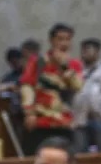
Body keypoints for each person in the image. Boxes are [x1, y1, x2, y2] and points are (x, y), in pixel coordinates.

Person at [19, 22, 82, 151]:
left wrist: (65, 67)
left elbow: (77, 86)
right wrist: (29, 113)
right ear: (51, 40)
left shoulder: (74, 64)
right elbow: (27, 86)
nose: (64, 43)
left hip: (64, 122)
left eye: (68, 39)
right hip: (40, 121)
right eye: (60, 39)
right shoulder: (38, 62)